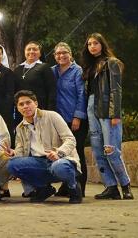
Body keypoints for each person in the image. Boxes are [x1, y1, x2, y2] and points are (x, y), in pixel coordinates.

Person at [4, 90, 83, 204]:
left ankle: (73, 187)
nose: (25, 106)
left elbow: (70, 139)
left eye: (28, 102)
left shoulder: (52, 116)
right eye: (21, 104)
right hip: (39, 162)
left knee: (59, 166)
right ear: (17, 107)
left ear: (35, 103)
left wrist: (59, 153)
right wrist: (13, 153)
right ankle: (43, 188)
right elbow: (20, 152)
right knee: (12, 164)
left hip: (61, 160)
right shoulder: (20, 128)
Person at [81, 33, 133, 200]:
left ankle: (125, 185)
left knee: (111, 150)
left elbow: (116, 90)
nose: (92, 46)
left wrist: (115, 114)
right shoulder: (89, 67)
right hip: (91, 108)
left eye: (95, 43)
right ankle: (111, 187)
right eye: (89, 44)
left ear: (102, 44)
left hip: (106, 110)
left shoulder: (112, 63)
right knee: (97, 151)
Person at [51, 42, 88, 197]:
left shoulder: (77, 71)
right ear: (54, 56)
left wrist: (77, 116)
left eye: (64, 52)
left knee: (76, 152)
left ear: (70, 54)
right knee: (63, 153)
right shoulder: (52, 71)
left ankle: (80, 186)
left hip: (74, 119)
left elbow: (82, 94)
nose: (61, 56)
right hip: (58, 121)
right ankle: (66, 186)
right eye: (58, 53)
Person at [13, 41, 56, 110]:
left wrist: (50, 110)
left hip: (40, 109)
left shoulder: (45, 67)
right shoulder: (17, 69)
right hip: (22, 110)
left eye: (35, 49)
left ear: (40, 53)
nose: (31, 51)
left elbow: (51, 91)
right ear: (24, 52)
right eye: (28, 49)